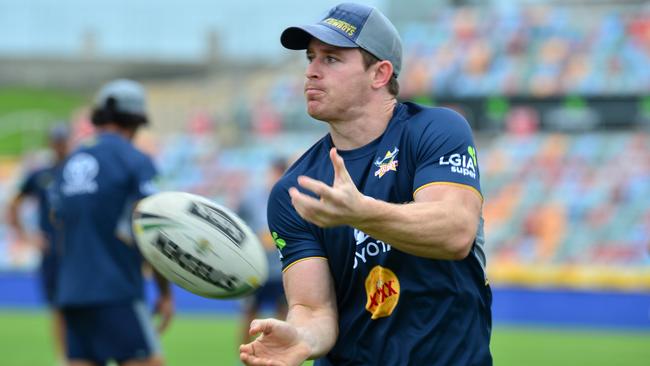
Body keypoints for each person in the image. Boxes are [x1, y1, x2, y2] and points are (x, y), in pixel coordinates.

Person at [239, 3, 492, 366]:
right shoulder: (294, 190)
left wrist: (359, 212)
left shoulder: (435, 130)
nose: (310, 71)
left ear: (379, 74)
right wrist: (303, 338)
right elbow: (313, 308)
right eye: (310, 58)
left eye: (331, 59)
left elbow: (455, 232)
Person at [50, 79, 173, 366]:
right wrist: (165, 293)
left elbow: (57, 218)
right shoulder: (136, 160)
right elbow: (154, 228)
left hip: (72, 292)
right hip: (116, 290)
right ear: (137, 118)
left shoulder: (69, 161)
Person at [7, 123, 70, 364]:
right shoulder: (42, 175)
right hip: (52, 251)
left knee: (82, 305)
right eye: (56, 140)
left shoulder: (78, 173)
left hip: (78, 251)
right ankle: (63, 357)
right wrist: (26, 235)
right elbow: (14, 204)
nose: (60, 145)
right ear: (50, 143)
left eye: (62, 140)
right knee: (57, 307)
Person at [237, 158, 289, 346]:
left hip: (281, 269)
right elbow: (238, 226)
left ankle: (278, 353)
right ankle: (243, 355)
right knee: (249, 315)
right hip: (256, 270)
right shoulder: (250, 199)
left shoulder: (291, 198)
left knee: (282, 314)